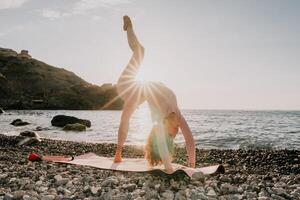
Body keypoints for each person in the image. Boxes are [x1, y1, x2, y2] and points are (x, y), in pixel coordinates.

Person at [114, 16, 196, 173]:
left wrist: (169, 167)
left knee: (125, 117)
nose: (177, 131)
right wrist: (191, 165)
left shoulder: (159, 118)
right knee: (140, 51)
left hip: (128, 88)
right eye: (176, 132)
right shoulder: (176, 115)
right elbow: (190, 140)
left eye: (172, 135)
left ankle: (118, 151)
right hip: (135, 87)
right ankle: (129, 27)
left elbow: (169, 140)